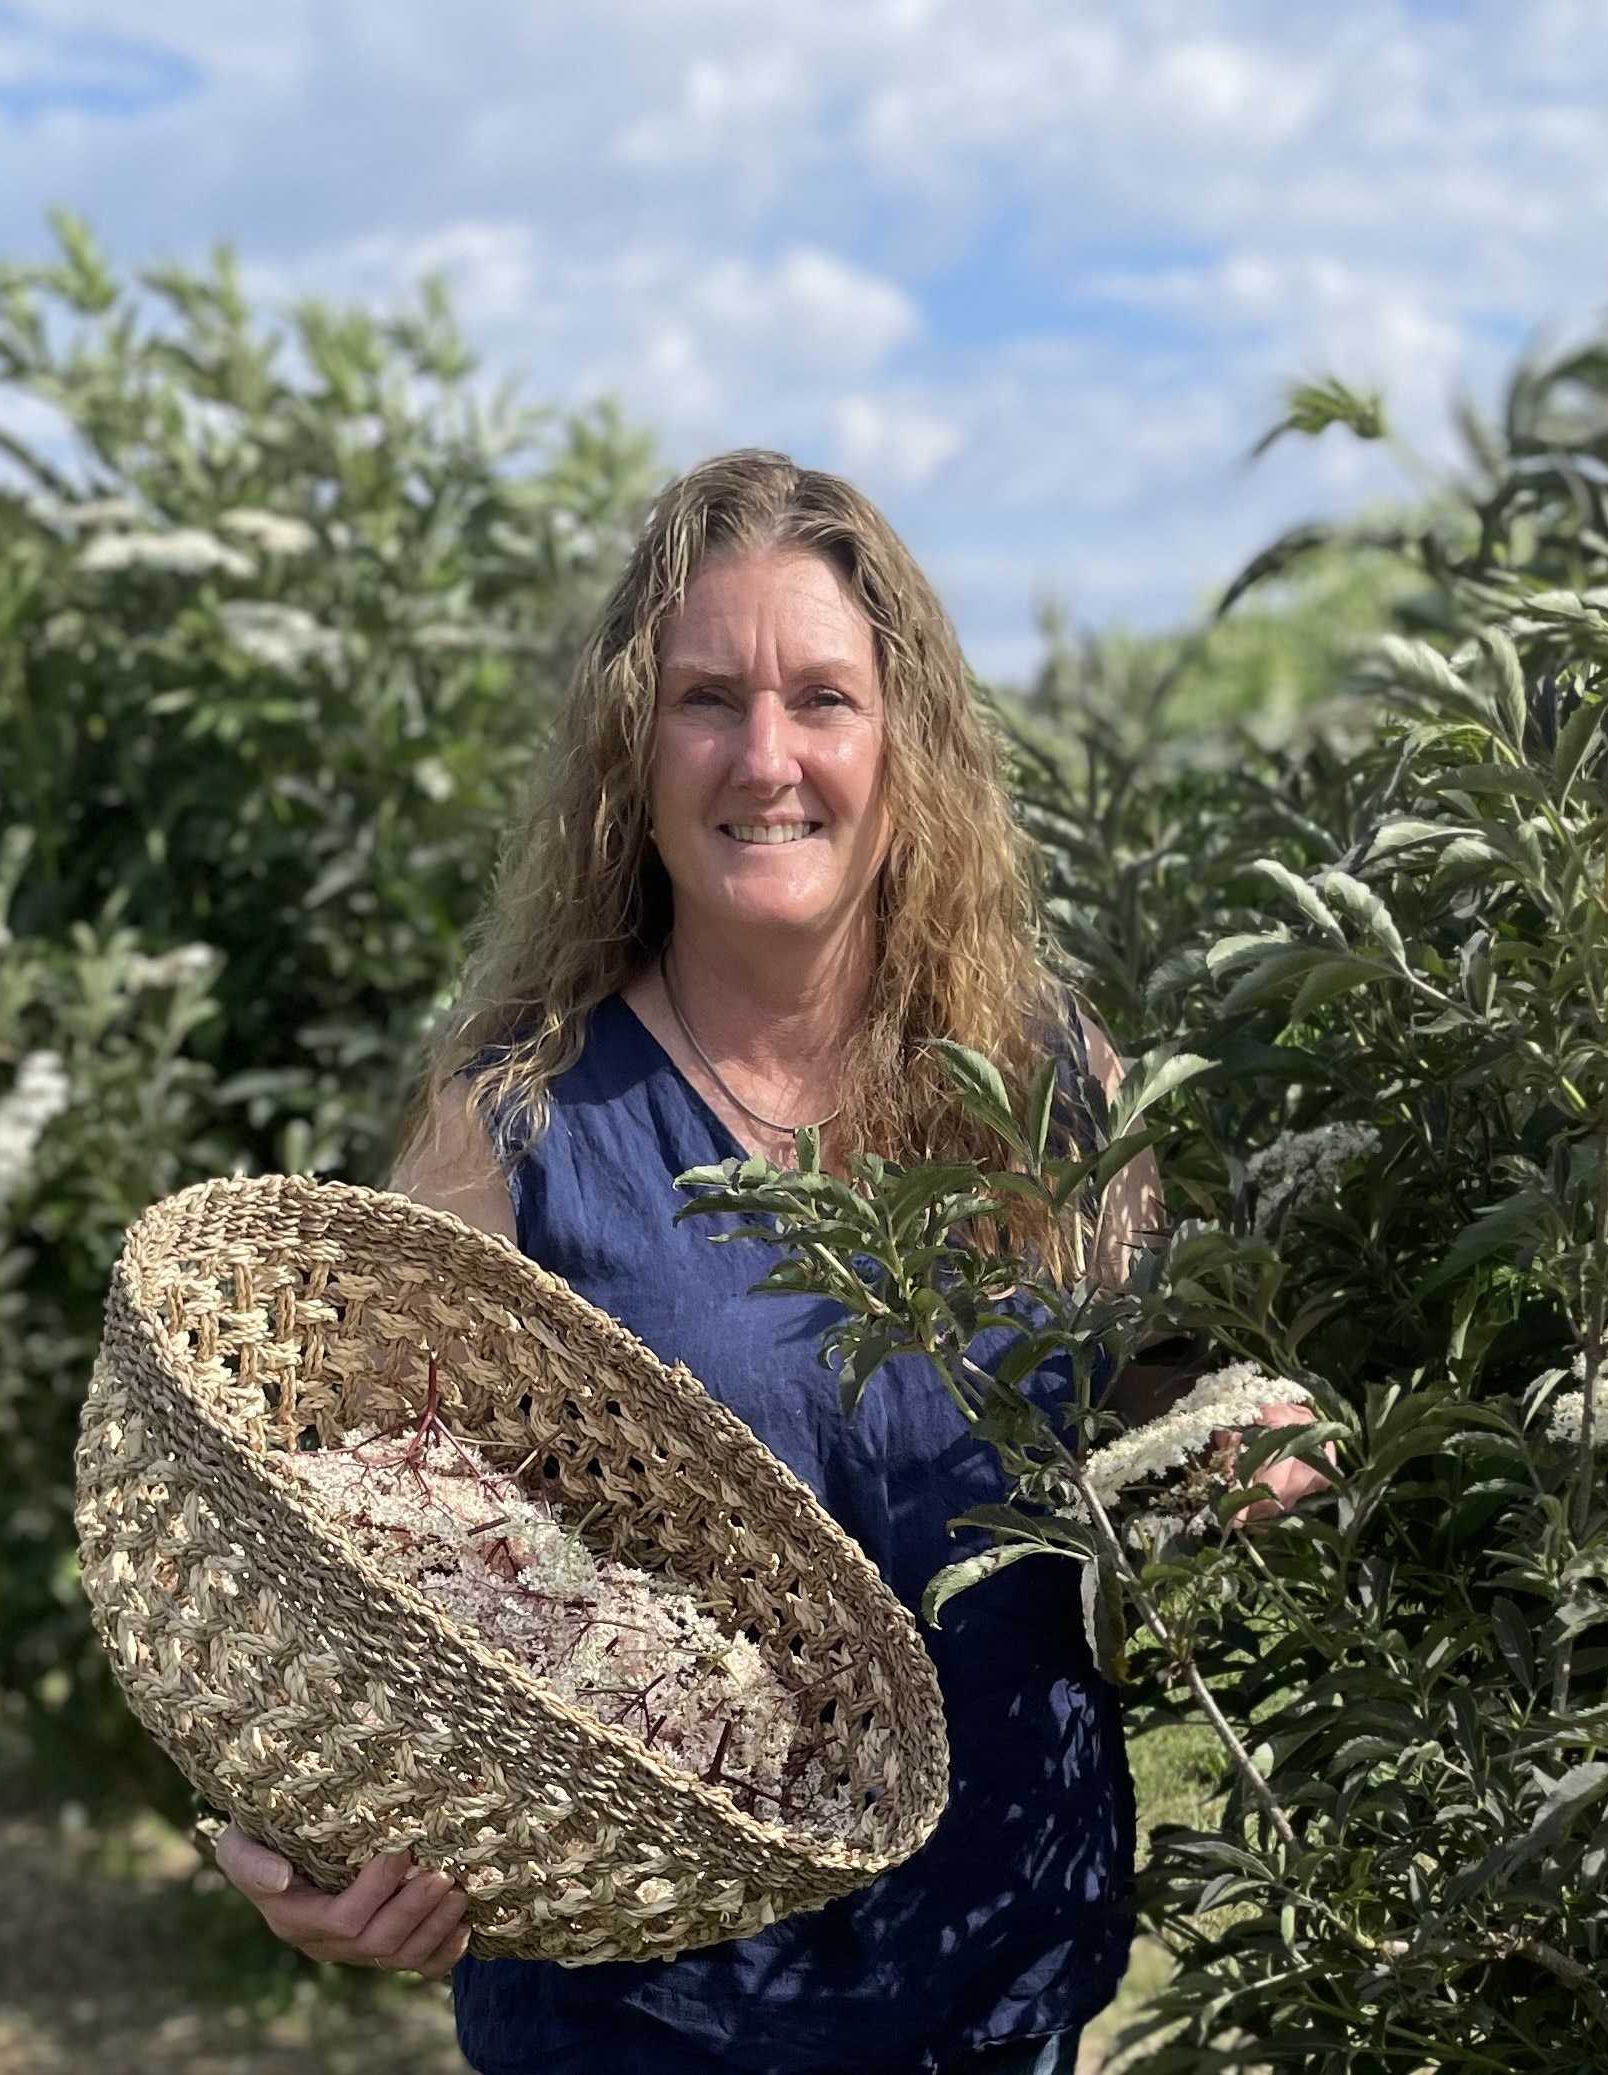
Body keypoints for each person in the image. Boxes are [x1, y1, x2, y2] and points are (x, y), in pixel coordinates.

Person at [207, 450, 1316, 2075]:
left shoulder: (1052, 1080)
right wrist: (274, 1839)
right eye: (707, 699)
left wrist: (1256, 1450)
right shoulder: (521, 1118)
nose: (768, 755)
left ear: (907, 747)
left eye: (824, 699)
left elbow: (1158, 1399)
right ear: (631, 755)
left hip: (1000, 1998)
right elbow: (340, 1538)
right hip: (646, 2022)